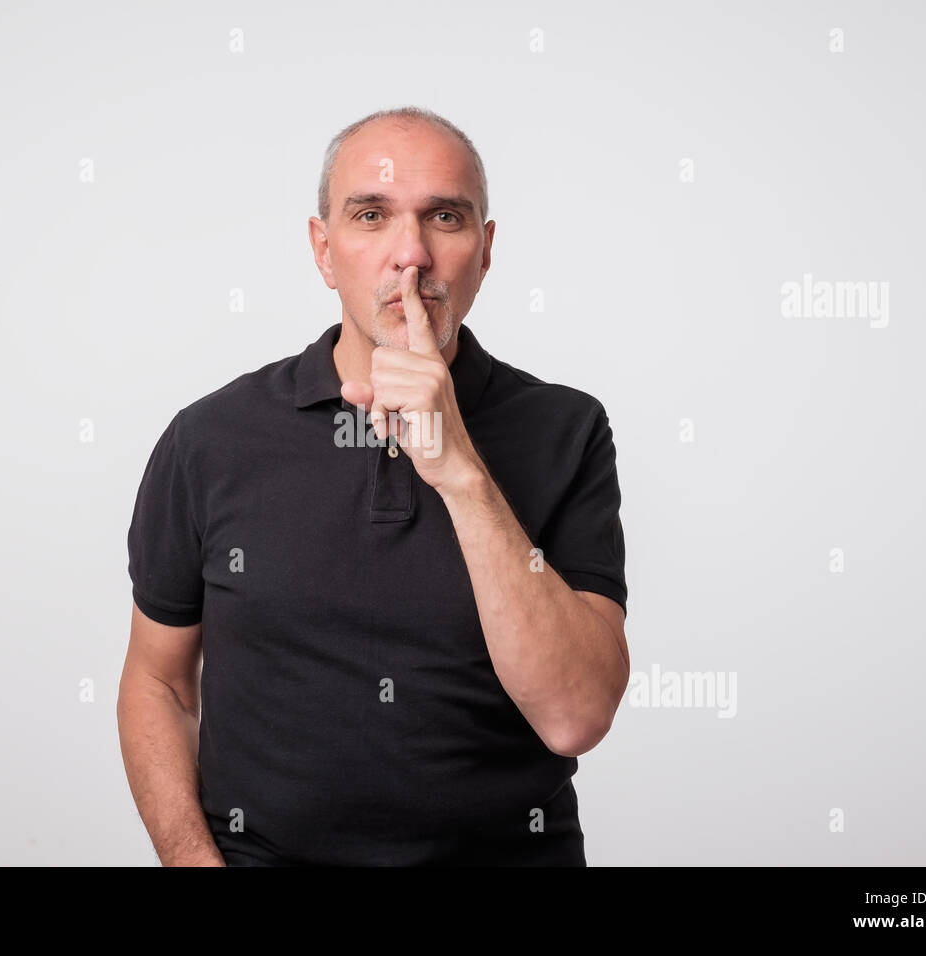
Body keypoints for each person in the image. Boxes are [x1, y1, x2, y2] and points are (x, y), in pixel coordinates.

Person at [117, 106, 630, 866]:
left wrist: (458, 468)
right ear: (324, 250)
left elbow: (575, 717)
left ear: (486, 251)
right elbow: (157, 681)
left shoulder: (567, 429)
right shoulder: (210, 439)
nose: (411, 255)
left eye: (445, 217)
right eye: (371, 215)